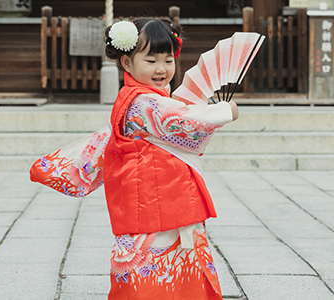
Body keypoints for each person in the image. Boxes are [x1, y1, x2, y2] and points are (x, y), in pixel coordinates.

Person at [102, 18, 238, 299]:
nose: (162, 69)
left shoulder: (147, 97)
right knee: (155, 268)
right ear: (127, 63)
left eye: (168, 60)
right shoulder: (141, 102)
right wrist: (226, 111)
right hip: (152, 199)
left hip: (162, 194)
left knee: (173, 265)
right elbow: (183, 121)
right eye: (151, 60)